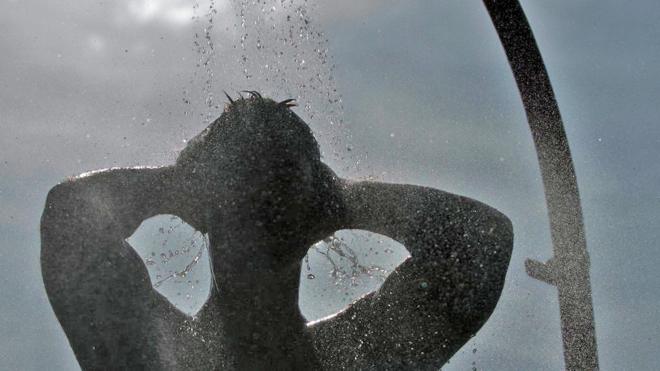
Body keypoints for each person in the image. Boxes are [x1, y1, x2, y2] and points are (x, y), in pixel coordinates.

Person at [41, 92, 513, 370]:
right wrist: (335, 197)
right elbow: (71, 213)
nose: (259, 215)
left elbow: (483, 240)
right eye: (243, 197)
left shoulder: (152, 353)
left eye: (274, 198)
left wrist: (186, 186)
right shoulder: (354, 358)